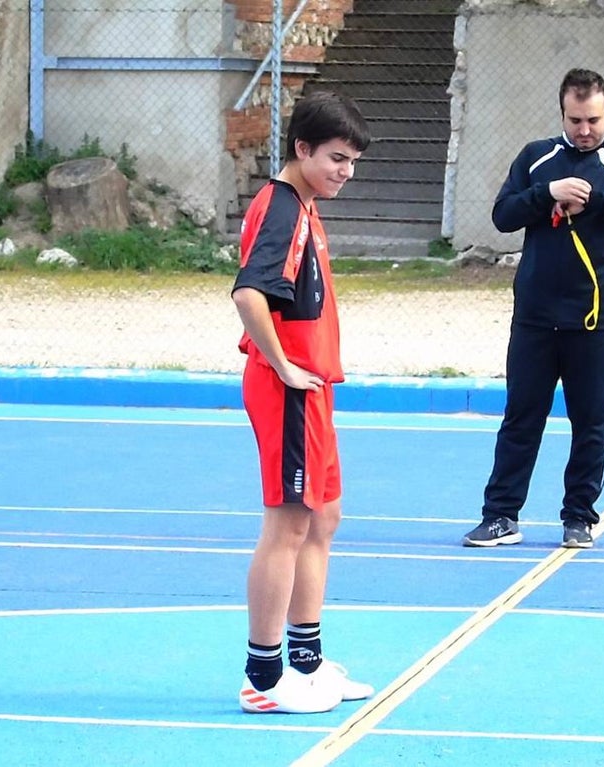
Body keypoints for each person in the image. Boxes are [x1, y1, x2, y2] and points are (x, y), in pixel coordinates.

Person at [462, 68, 604, 550]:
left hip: (597, 321)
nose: (584, 130)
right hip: (535, 317)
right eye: (575, 119)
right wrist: (547, 194)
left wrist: (594, 200)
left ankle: (579, 517)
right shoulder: (537, 158)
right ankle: (500, 516)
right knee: (521, 417)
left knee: (591, 422)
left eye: (593, 119)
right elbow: (503, 214)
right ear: (562, 114)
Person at [231, 91, 375, 714]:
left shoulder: (305, 204)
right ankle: (262, 678)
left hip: (313, 391)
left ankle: (307, 662)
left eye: (352, 161)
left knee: (323, 518)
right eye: (337, 158)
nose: (346, 171)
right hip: (289, 390)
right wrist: (285, 365)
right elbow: (248, 296)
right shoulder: (283, 209)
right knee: (288, 523)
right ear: (302, 149)